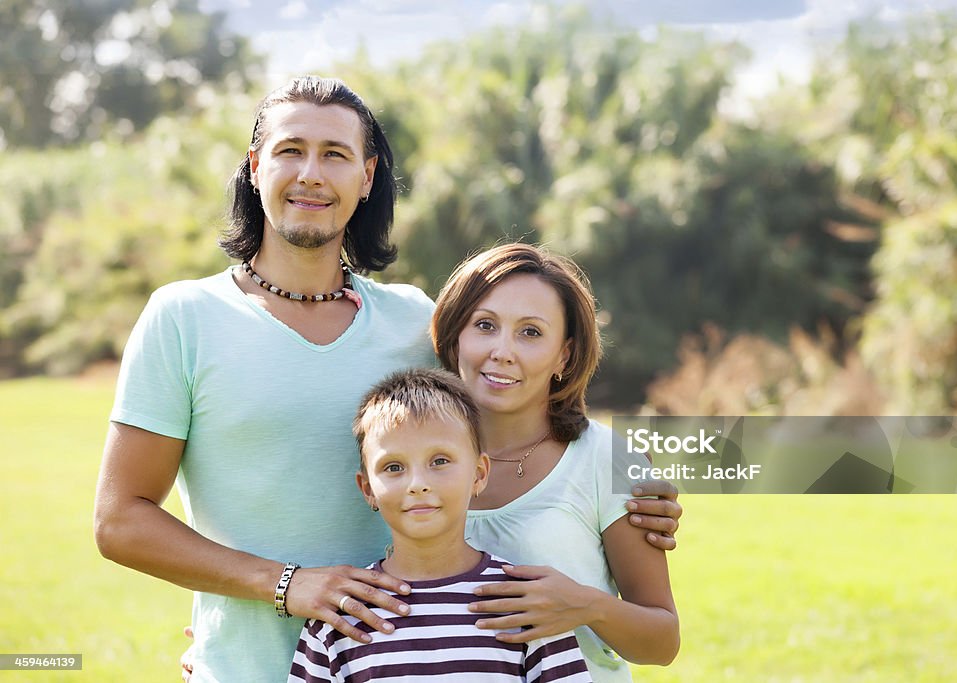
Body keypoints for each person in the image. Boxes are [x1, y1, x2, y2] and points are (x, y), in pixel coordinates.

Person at [93, 75, 680, 682]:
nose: (312, 174)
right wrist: (282, 586)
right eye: (291, 150)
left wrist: (639, 477)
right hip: (248, 668)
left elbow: (519, 417)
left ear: (366, 177)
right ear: (254, 166)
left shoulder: (415, 323)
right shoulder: (183, 317)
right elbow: (119, 521)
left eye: (336, 155)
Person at [432, 243, 680, 680]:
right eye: (485, 325)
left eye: (531, 332)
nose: (502, 351)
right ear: (455, 338)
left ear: (564, 355)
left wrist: (586, 605)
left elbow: (662, 642)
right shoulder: (409, 460)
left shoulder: (611, 460)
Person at [290, 368, 593, 682]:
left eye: (439, 461)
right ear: (368, 489)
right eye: (393, 467)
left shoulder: (526, 605)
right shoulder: (339, 619)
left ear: (478, 474)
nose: (418, 484)